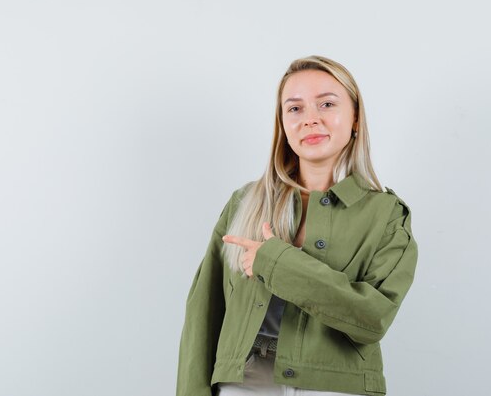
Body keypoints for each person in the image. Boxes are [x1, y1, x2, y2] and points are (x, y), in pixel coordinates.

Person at [176, 55, 418, 396]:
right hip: (242, 383)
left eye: (327, 104)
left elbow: (372, 319)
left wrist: (275, 263)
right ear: (282, 124)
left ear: (355, 119)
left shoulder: (387, 215)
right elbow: (203, 315)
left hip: (337, 387)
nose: (310, 120)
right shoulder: (245, 203)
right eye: (295, 109)